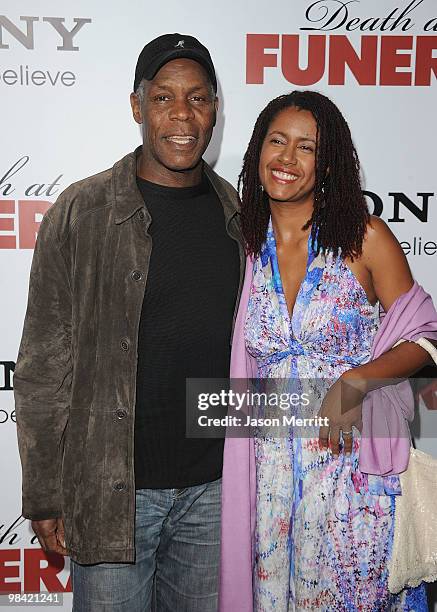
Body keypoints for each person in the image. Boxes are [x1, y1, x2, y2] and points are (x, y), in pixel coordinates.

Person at [14, 33, 244, 612]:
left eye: (197, 98)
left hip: (215, 493)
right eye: (164, 97)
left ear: (215, 108)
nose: (182, 115)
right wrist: (45, 492)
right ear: (137, 106)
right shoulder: (82, 211)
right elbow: (43, 367)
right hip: (114, 494)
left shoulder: (239, 216)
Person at [219, 90, 437, 611]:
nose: (287, 159)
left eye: (306, 147)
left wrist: (356, 381)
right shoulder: (241, 244)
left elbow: (426, 337)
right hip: (267, 476)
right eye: (277, 141)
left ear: (330, 162)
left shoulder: (364, 238)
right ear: (257, 151)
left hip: (351, 472)